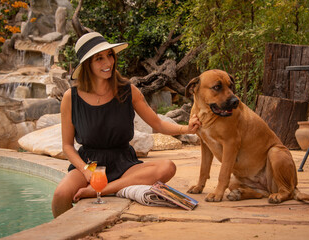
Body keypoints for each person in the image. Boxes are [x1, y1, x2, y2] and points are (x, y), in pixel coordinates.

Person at [51, 32, 201, 218]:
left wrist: (186, 129)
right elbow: (67, 146)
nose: (108, 63)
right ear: (87, 64)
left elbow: (157, 123)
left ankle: (102, 189)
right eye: (99, 59)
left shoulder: (129, 91)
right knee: (60, 195)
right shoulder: (70, 98)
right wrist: (85, 170)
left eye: (110, 55)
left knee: (167, 167)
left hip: (124, 163)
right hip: (90, 164)